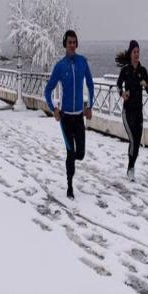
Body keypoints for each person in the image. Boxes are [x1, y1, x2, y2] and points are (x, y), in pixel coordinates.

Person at [44, 30, 94, 200]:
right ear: (65, 44)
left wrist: (90, 105)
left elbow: (90, 84)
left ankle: (72, 169)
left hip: (79, 116)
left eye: (74, 42)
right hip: (65, 118)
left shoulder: (82, 62)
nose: (72, 45)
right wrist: (54, 109)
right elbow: (48, 89)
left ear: (76, 44)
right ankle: (70, 185)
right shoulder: (60, 66)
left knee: (80, 154)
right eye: (69, 42)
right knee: (70, 153)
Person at [115, 40, 148, 181]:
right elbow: (118, 85)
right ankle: (131, 170)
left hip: (138, 112)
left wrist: (145, 83)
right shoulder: (125, 70)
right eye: (134, 52)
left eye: (138, 52)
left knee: (136, 143)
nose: (137, 54)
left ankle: (130, 167)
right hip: (127, 112)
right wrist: (122, 94)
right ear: (130, 53)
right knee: (133, 141)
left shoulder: (143, 71)